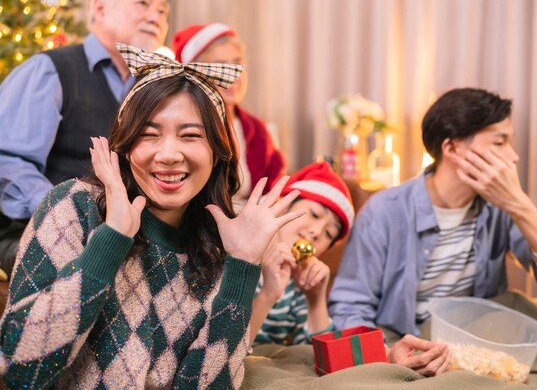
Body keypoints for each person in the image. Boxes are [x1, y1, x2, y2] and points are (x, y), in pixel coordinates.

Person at [0, 44, 305, 389]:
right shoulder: (72, 206)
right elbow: (21, 369)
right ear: (126, 145)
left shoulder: (219, 242)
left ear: (218, 152)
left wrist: (243, 264)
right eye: (148, 134)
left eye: (191, 135)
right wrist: (111, 239)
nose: (169, 154)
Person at [328, 87, 537, 376]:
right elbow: (349, 307)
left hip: (478, 339)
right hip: (413, 339)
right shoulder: (385, 211)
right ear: (451, 149)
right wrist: (388, 354)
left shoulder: (502, 205)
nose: (513, 157)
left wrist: (520, 206)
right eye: (500, 143)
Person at [0, 0, 170, 277]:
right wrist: (60, 213)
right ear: (100, 9)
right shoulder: (51, 71)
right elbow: (8, 160)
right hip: (39, 236)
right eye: (143, 3)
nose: (155, 16)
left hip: (127, 239)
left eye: (162, 11)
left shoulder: (152, 90)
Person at [171, 23, 285, 208]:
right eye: (220, 66)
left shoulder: (257, 129)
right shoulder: (183, 125)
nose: (234, 75)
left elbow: (273, 186)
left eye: (237, 63)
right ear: (196, 73)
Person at [249, 162, 354, 345]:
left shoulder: (296, 283)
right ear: (282, 205)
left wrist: (315, 299)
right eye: (314, 214)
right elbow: (221, 350)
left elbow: (318, 354)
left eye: (329, 234)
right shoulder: (235, 256)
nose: (317, 232)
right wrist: (268, 295)